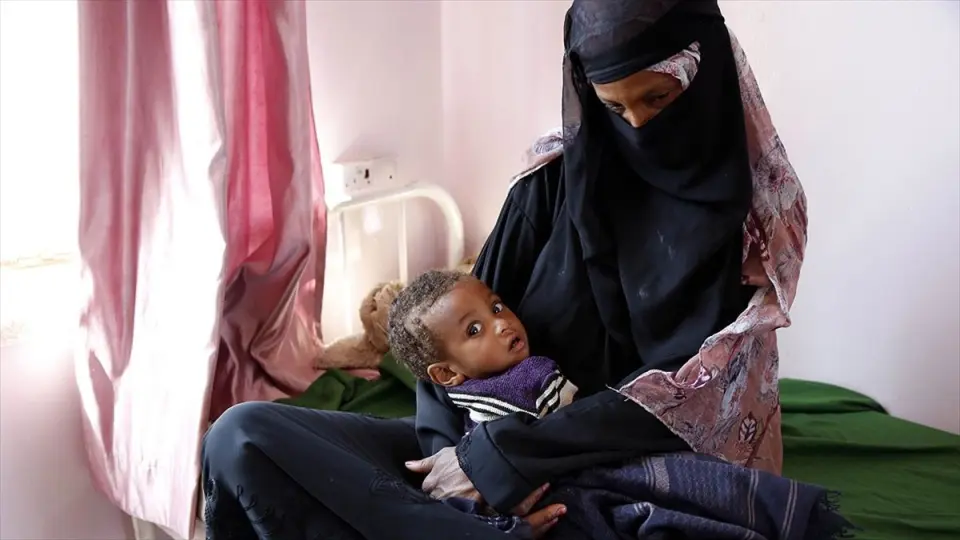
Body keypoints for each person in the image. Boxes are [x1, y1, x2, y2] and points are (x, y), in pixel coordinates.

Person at [200, 0, 807, 538]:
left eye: (659, 99)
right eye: (613, 107)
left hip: (623, 472)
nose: (638, 127)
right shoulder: (551, 183)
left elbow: (692, 399)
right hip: (487, 449)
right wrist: (458, 477)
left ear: (706, 75)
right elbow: (447, 337)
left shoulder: (753, 228)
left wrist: (504, 462)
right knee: (241, 437)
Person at [386, 269, 579, 430]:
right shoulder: (535, 378)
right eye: (474, 330)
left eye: (496, 308)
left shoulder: (465, 401)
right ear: (447, 373)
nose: (502, 324)